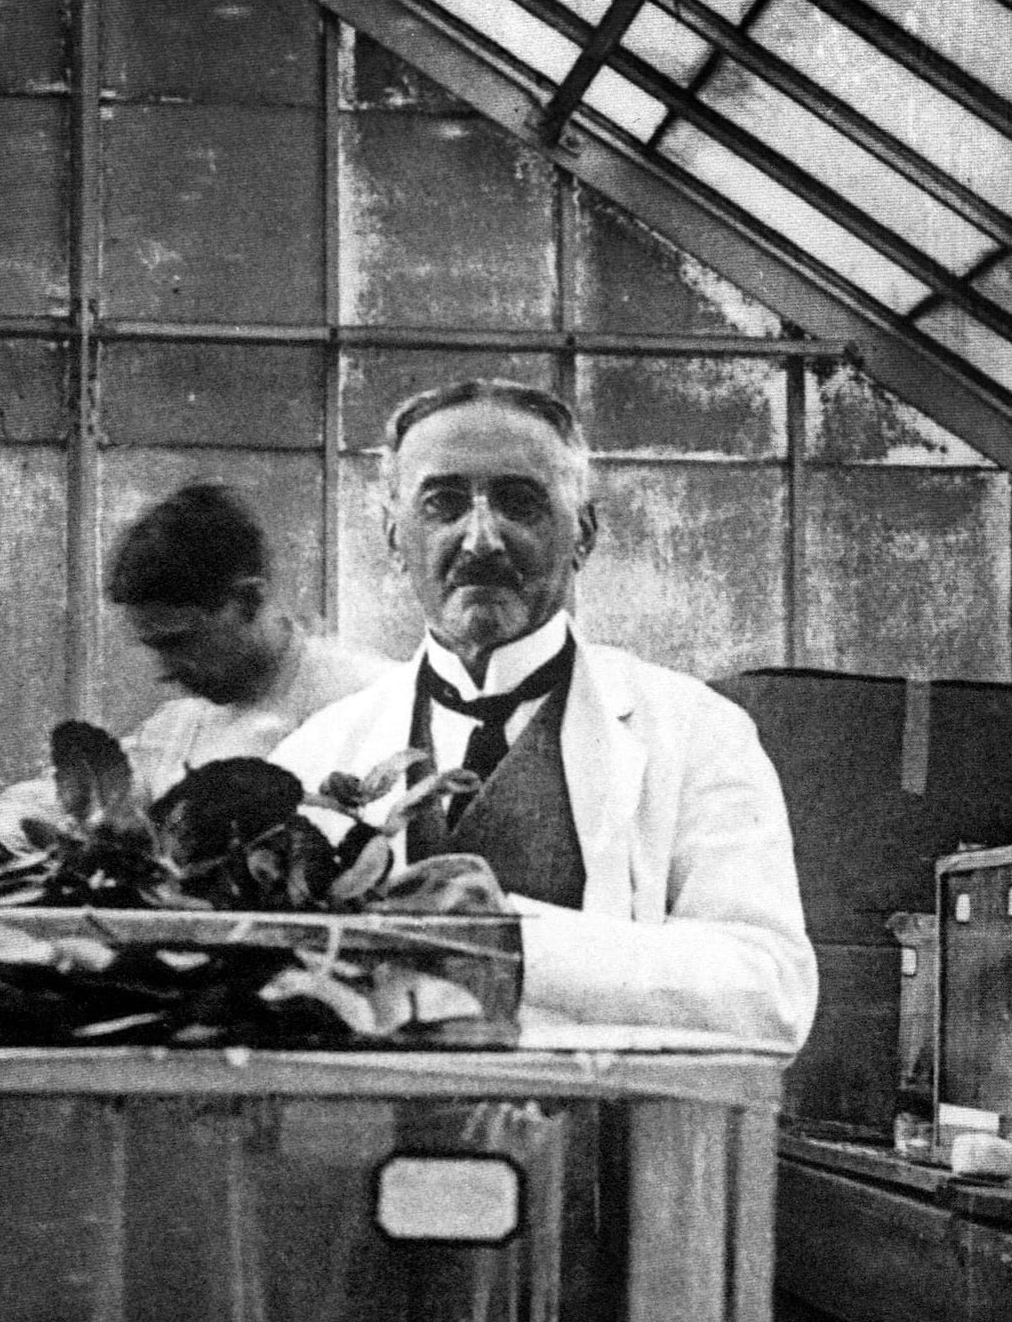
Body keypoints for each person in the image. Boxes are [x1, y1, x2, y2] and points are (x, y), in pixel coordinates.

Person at [272, 380, 817, 1050]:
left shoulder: (699, 732)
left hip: (599, 1142)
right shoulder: (313, 757)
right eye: (443, 504)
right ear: (394, 538)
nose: (479, 539)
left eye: (519, 502)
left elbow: (771, 990)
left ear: (583, 533)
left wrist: (514, 939)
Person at [0, 481, 386, 849]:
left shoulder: (377, 696)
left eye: (181, 642)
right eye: (155, 646)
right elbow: (49, 804)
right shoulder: (181, 727)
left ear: (248, 601)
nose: (166, 670)